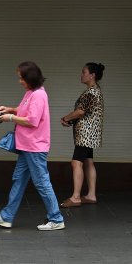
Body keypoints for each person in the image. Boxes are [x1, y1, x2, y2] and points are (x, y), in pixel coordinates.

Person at [0, 61, 65, 231]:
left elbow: (32, 120)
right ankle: (6, 217)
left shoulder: (38, 95)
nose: (19, 81)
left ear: (30, 78)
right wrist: (10, 110)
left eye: (21, 78)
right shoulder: (31, 92)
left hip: (34, 148)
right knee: (18, 180)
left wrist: (10, 118)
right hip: (27, 147)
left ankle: (56, 218)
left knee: (42, 183)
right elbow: (24, 111)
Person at [59, 62, 105, 208]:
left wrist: (66, 118)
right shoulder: (95, 90)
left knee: (76, 162)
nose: (81, 75)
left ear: (92, 75)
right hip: (90, 133)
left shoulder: (91, 92)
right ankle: (91, 195)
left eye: (84, 72)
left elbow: (81, 111)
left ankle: (76, 197)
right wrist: (72, 121)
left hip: (85, 134)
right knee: (88, 161)